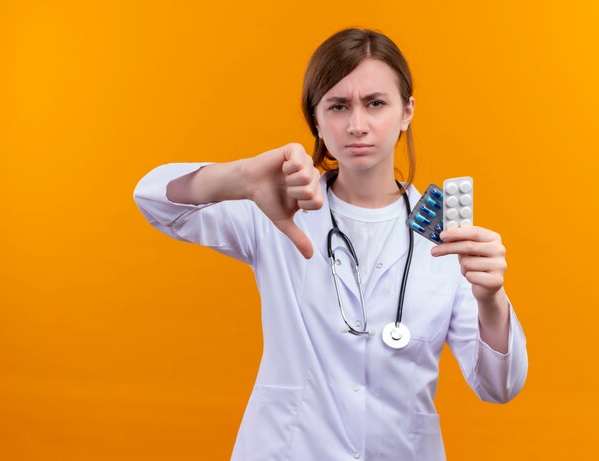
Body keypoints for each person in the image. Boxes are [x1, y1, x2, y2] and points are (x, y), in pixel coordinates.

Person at [133, 27, 528, 461]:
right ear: (316, 119)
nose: (357, 125)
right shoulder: (279, 209)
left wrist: (491, 298)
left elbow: (499, 387)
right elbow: (152, 199)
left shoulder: (451, 238)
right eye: (338, 106)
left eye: (375, 103)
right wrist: (240, 178)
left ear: (407, 111)